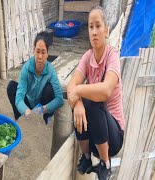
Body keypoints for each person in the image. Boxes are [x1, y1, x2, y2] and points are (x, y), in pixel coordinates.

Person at [67, 5, 125, 180]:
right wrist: (77, 103)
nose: (94, 31)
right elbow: (71, 87)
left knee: (93, 99)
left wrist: (78, 91)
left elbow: (106, 90)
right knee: (80, 103)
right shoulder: (87, 57)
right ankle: (86, 158)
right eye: (91, 27)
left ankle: (105, 165)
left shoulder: (112, 56)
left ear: (106, 30)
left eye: (98, 26)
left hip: (113, 138)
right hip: (94, 139)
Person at [7, 31, 63, 124]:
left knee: (49, 89)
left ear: (47, 54)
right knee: (11, 86)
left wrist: (43, 109)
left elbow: (59, 99)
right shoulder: (27, 67)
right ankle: (20, 117)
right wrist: (26, 110)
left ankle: (46, 119)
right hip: (28, 102)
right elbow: (19, 97)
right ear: (34, 51)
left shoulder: (51, 71)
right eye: (37, 51)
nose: (40, 56)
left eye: (43, 52)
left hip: (41, 104)